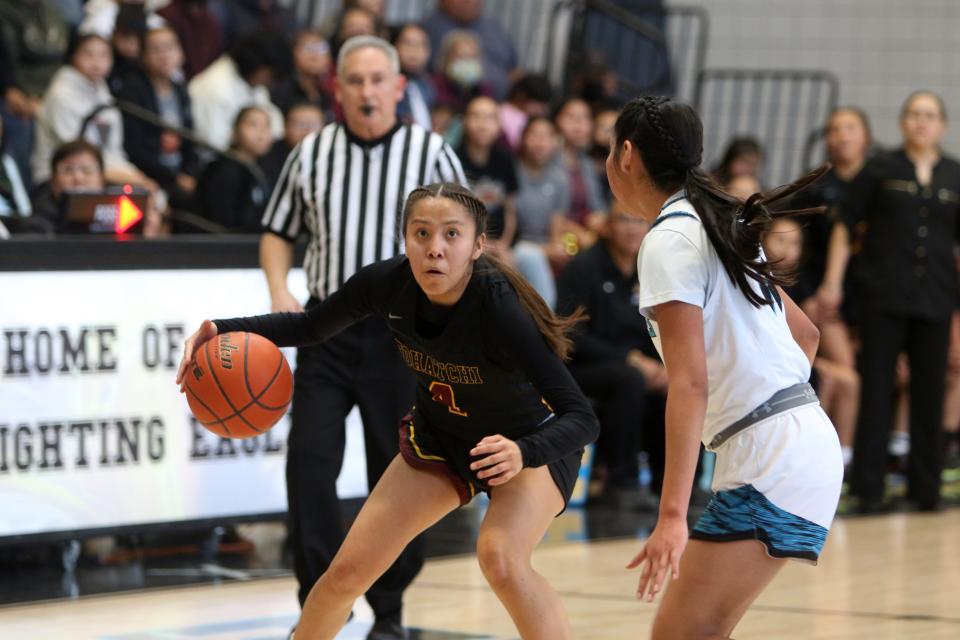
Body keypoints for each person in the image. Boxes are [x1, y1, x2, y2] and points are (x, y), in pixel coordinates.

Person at [177, 182, 599, 640]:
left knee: (500, 558)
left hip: (525, 443)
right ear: (405, 240)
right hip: (443, 436)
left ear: (478, 245)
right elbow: (310, 325)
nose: (434, 249)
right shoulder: (387, 283)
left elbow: (582, 418)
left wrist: (523, 451)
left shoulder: (498, 306)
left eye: (451, 235)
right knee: (344, 576)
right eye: (421, 234)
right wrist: (219, 329)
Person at [606, 95, 842, 638]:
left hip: (773, 457)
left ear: (625, 154)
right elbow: (806, 334)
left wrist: (670, 517)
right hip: (797, 442)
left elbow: (689, 384)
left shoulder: (668, 239)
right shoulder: (717, 219)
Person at [258, 35, 466, 639]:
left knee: (400, 472)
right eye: (355, 80)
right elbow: (277, 230)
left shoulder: (430, 153)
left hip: (405, 335)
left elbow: (468, 237)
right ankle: (322, 600)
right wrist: (278, 288)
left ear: (399, 88)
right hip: (327, 326)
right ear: (337, 89)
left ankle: (391, 611)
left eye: (379, 80)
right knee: (309, 466)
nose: (367, 91)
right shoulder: (312, 152)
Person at [836, 91, 960, 513]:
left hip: (937, 297)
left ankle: (925, 490)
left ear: (941, 125)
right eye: (914, 114)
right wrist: (833, 284)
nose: (922, 122)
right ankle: (869, 489)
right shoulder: (881, 167)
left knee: (929, 391)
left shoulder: (954, 174)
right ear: (903, 123)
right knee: (877, 387)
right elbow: (844, 224)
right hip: (883, 295)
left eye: (930, 115)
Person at [556, 202, 667, 508]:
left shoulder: (649, 272)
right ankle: (622, 482)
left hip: (635, 365)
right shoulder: (584, 268)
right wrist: (628, 358)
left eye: (639, 220)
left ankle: (671, 486)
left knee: (675, 382)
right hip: (581, 368)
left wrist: (661, 366)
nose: (633, 228)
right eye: (624, 219)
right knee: (628, 379)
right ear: (607, 225)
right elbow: (570, 334)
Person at [32, 33, 155, 189]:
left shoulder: (102, 91)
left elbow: (112, 151)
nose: (97, 62)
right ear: (73, 56)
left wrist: (137, 177)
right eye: (88, 54)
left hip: (99, 172)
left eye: (104, 55)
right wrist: (133, 180)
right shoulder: (61, 94)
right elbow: (75, 155)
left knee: (150, 195)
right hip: (59, 178)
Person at [116, 25, 200, 211]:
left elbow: (189, 139)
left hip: (178, 172)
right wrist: (174, 178)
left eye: (170, 47)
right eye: (156, 49)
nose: (164, 55)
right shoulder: (133, 90)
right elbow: (133, 148)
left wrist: (189, 173)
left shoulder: (180, 90)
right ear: (143, 56)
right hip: (149, 174)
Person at [188, 30, 288, 151]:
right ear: (262, 70)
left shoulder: (253, 83)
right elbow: (214, 143)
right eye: (272, 77)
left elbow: (276, 127)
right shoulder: (215, 88)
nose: (271, 84)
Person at [455, 95, 518, 260]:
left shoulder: (505, 159)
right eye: (476, 116)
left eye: (490, 118)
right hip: (462, 243)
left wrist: (504, 244)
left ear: (499, 125)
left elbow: (510, 211)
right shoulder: (453, 158)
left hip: (500, 244)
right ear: (464, 121)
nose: (483, 124)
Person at [196, 106, 273, 232]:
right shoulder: (224, 171)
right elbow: (223, 221)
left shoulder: (263, 169)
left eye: (267, 126)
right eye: (253, 125)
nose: (261, 133)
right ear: (234, 132)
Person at [422, 0, 518, 101]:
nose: (468, 1)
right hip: (447, 102)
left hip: (495, 104)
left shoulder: (493, 26)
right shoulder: (428, 29)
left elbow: (513, 69)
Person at [270, 30, 335, 118]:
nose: (315, 56)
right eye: (308, 48)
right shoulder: (281, 94)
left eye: (321, 48)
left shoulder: (328, 93)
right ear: (294, 53)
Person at [260, 103, 324, 188]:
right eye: (301, 125)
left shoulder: (330, 154)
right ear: (285, 127)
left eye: (314, 124)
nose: (308, 130)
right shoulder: (268, 154)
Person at [393, 23, 435, 131]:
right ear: (394, 46)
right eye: (408, 43)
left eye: (422, 45)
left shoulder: (429, 86)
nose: (414, 51)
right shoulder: (386, 85)